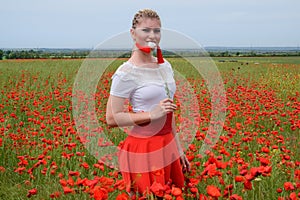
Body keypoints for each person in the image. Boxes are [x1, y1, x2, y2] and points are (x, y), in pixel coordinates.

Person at [106, 8, 190, 198]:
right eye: (146, 30)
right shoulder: (126, 73)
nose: (152, 35)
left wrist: (178, 149)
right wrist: (152, 115)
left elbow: (169, 110)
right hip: (143, 147)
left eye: (157, 30)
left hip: (167, 143)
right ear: (133, 33)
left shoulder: (165, 66)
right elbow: (111, 118)